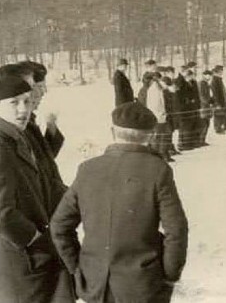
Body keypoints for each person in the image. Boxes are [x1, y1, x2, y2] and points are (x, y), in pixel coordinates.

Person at [50, 102, 188, 303]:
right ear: (151, 135)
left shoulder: (88, 169)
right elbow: (176, 230)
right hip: (143, 284)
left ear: (113, 131)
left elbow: (59, 226)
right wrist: (170, 275)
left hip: (96, 284)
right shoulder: (157, 170)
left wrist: (78, 267)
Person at [0, 76, 74, 303]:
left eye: (27, 101)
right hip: (19, 261)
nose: (23, 109)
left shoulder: (13, 136)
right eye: (14, 103)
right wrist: (35, 238)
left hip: (27, 259)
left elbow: (39, 185)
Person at [146, 68, 173, 163]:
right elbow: (155, 104)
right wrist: (161, 113)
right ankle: (157, 156)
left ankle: (162, 154)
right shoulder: (154, 89)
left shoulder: (158, 88)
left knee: (163, 136)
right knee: (158, 137)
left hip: (161, 116)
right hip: (157, 117)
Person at [210, 65, 226, 134]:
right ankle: (218, 129)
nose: (221, 72)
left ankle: (221, 128)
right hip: (218, 102)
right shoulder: (214, 81)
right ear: (215, 72)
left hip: (222, 101)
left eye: (221, 71)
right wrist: (217, 103)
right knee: (218, 115)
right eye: (219, 71)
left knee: (223, 114)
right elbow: (215, 93)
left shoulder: (219, 79)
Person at [198, 70, 214, 146]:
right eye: (208, 75)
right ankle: (200, 140)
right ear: (204, 75)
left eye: (210, 75)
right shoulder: (202, 83)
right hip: (203, 107)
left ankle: (202, 140)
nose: (210, 77)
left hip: (206, 106)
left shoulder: (205, 83)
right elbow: (202, 96)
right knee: (204, 123)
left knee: (206, 123)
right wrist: (208, 102)